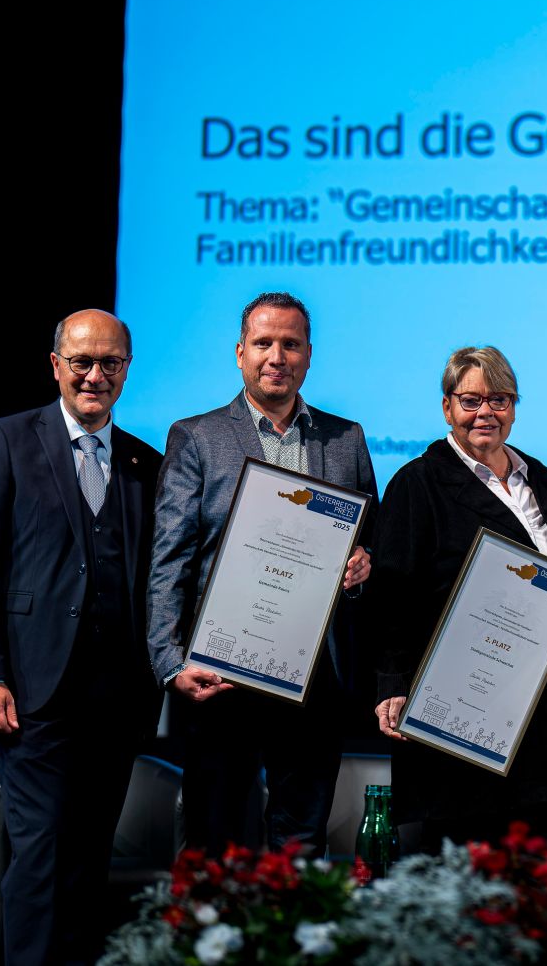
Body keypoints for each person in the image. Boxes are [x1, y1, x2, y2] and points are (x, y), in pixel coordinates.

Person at [0, 310, 163, 966]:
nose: (95, 375)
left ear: (127, 369)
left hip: (118, 700)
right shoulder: (7, 440)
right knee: (39, 853)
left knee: (86, 858)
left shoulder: (142, 461)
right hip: (32, 696)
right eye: (82, 361)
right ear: (55, 365)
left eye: (110, 363)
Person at [147, 292, 375, 854]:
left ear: (308, 354)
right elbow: (168, 559)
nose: (278, 356)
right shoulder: (196, 437)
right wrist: (170, 662)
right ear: (240, 352)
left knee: (300, 840)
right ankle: (216, 944)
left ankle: (294, 941)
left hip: (314, 674)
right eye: (264, 343)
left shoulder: (345, 439)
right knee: (216, 839)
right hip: (221, 672)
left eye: (290, 344)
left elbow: (367, 538)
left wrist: (362, 563)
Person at [373, 346, 547, 848]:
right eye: (471, 400)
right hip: (454, 703)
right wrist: (392, 681)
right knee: (459, 874)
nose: (485, 413)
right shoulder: (417, 483)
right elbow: (392, 595)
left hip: (532, 703)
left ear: (514, 407)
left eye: (499, 399)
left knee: (530, 873)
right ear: (447, 407)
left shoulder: (541, 479)